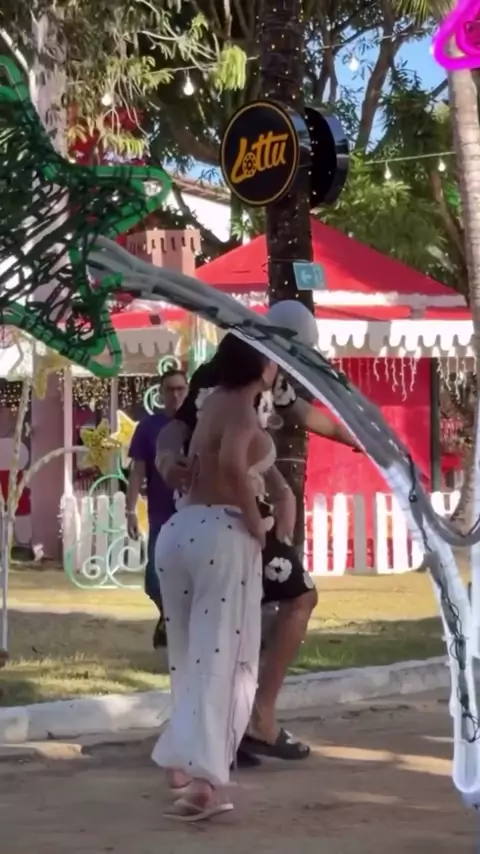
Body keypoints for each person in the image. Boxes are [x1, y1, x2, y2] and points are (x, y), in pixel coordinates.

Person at [156, 303, 359, 765]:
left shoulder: (263, 378)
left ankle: (222, 732)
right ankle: (255, 721)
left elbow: (300, 414)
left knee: (229, 628)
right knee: (294, 598)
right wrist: (170, 464)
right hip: (226, 518)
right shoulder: (232, 379)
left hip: (203, 520)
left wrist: (357, 439)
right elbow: (197, 439)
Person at [152, 336, 279, 822]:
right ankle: (205, 783)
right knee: (228, 658)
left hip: (179, 532)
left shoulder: (209, 404)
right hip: (221, 534)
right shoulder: (243, 409)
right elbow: (231, 463)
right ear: (261, 365)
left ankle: (180, 761)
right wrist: (256, 523)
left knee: (189, 656)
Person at [126, 368, 188, 648]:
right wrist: (130, 511)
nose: (175, 395)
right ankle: (169, 617)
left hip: (194, 514)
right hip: (161, 516)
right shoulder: (148, 428)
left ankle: (176, 625)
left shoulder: (199, 425)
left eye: (180, 389)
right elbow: (137, 472)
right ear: (161, 394)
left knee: (190, 576)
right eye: (170, 389)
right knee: (153, 580)